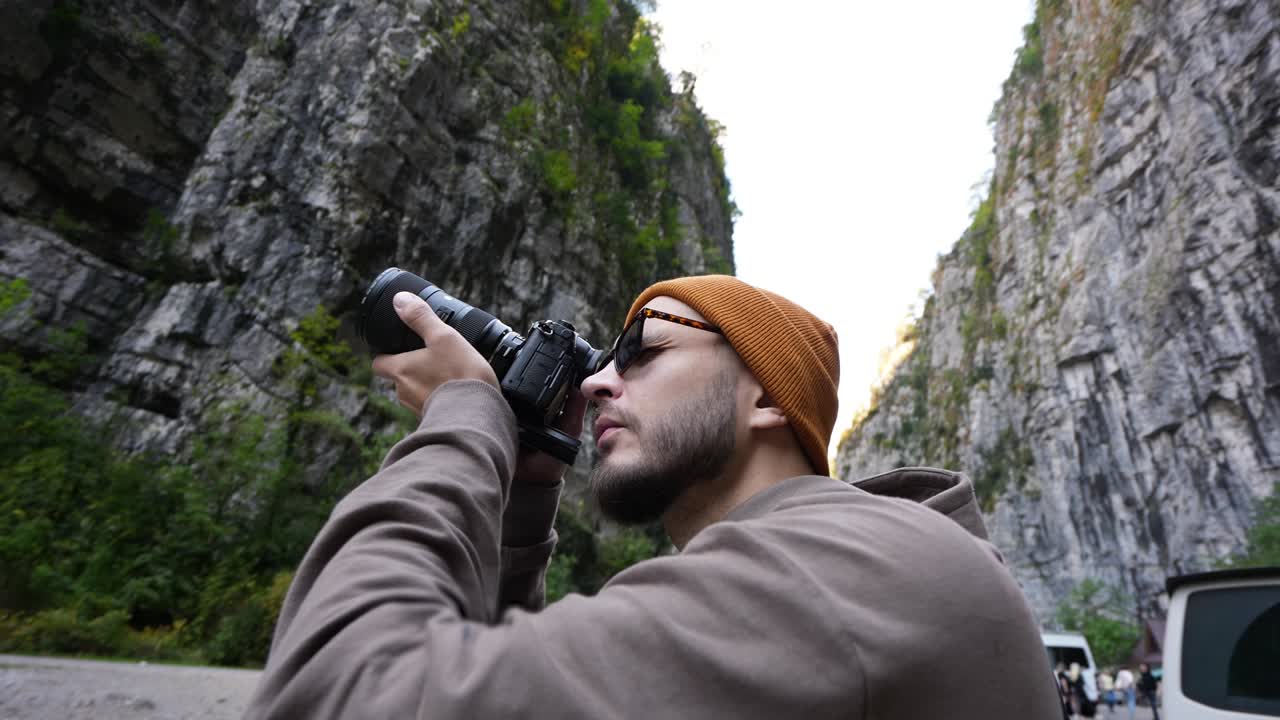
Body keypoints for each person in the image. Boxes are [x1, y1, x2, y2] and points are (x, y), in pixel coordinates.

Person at [244, 275, 1064, 718]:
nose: (599, 380)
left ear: (767, 398)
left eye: (642, 351)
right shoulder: (836, 570)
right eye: (604, 358)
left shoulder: (842, 573)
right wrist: (526, 491)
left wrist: (466, 415)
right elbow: (498, 680)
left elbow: (338, 695)